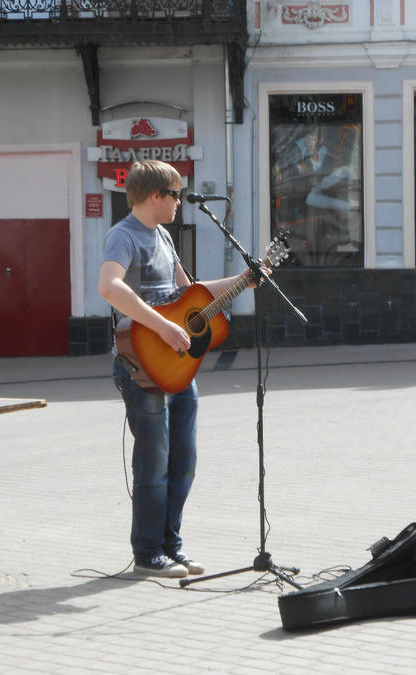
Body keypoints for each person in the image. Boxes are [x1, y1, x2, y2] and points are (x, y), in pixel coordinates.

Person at [98, 159, 264, 578]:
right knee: (153, 462)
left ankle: (171, 546)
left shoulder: (164, 237)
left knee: (183, 459)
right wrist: (163, 327)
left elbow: (191, 295)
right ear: (155, 196)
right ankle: (148, 553)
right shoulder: (124, 236)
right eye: (175, 195)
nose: (179, 203)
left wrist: (243, 279)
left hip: (176, 366)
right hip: (142, 363)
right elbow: (109, 286)